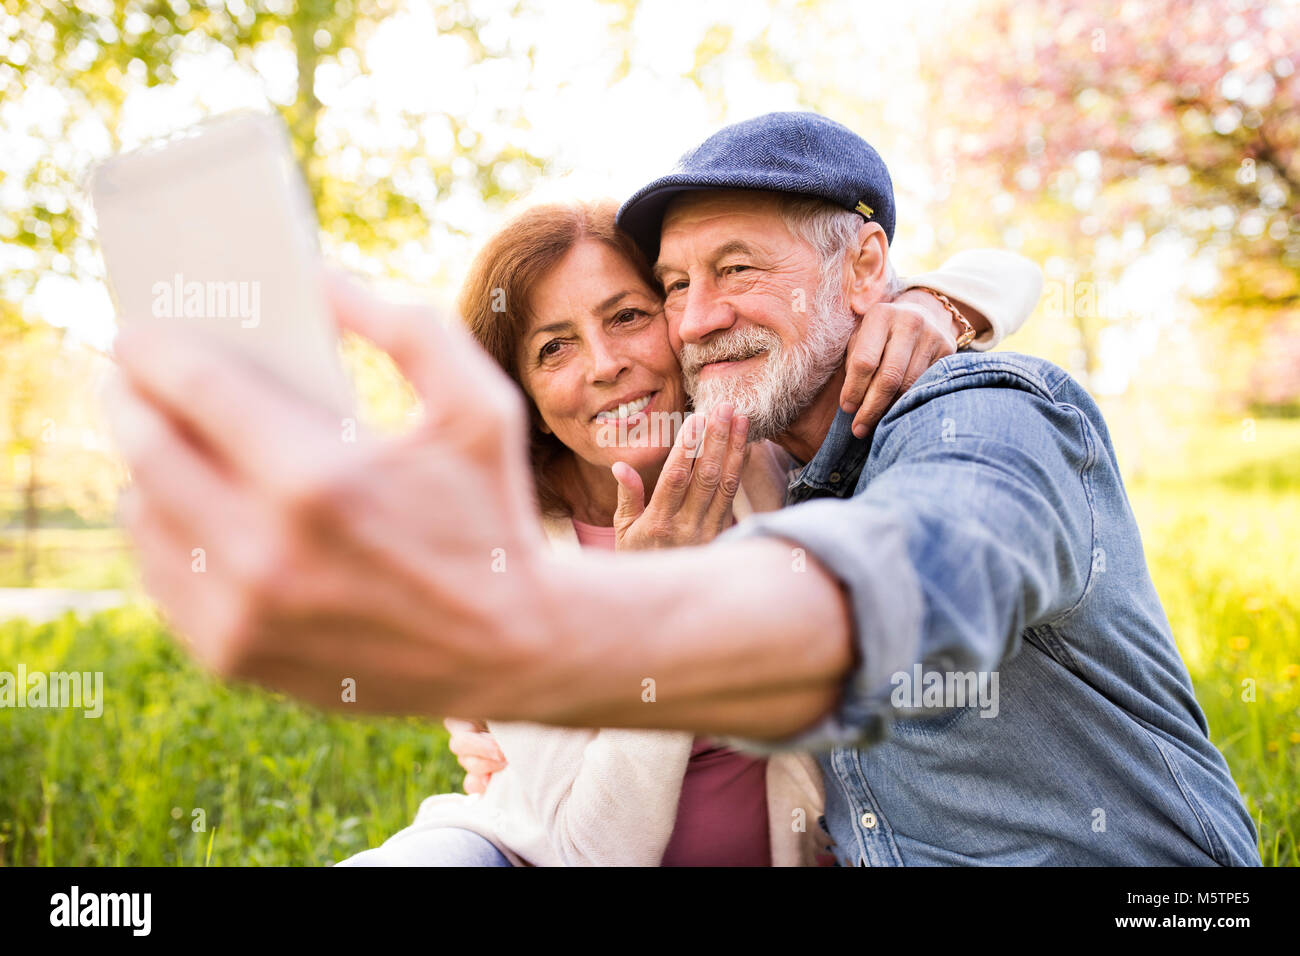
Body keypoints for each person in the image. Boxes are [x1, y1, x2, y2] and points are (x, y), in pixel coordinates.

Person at [109, 111, 1260, 865]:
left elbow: (921, 573)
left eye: (732, 273)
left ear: (868, 269)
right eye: (675, 284)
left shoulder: (979, 413)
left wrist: (543, 635)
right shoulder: (786, 456)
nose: (692, 318)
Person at [336, 197, 1041, 865]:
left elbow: (1011, 271)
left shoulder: (760, 457)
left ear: (681, 323)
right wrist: (655, 610)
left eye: (629, 316)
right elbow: (594, 854)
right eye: (554, 349)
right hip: (524, 851)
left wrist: (931, 303)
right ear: (528, 400)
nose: (605, 364)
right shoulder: (507, 557)